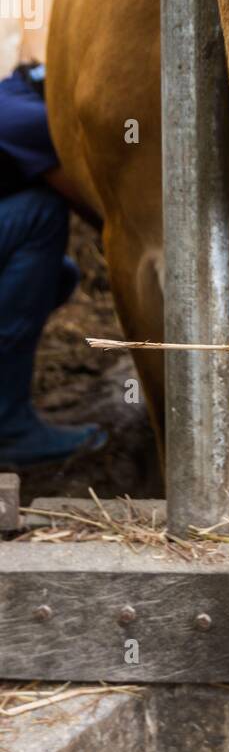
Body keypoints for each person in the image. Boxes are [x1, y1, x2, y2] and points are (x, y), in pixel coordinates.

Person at [0, 62, 107, 465]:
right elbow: (94, 209)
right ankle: (9, 426)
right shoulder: (33, 121)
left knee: (59, 276)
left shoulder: (10, 95)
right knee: (43, 215)